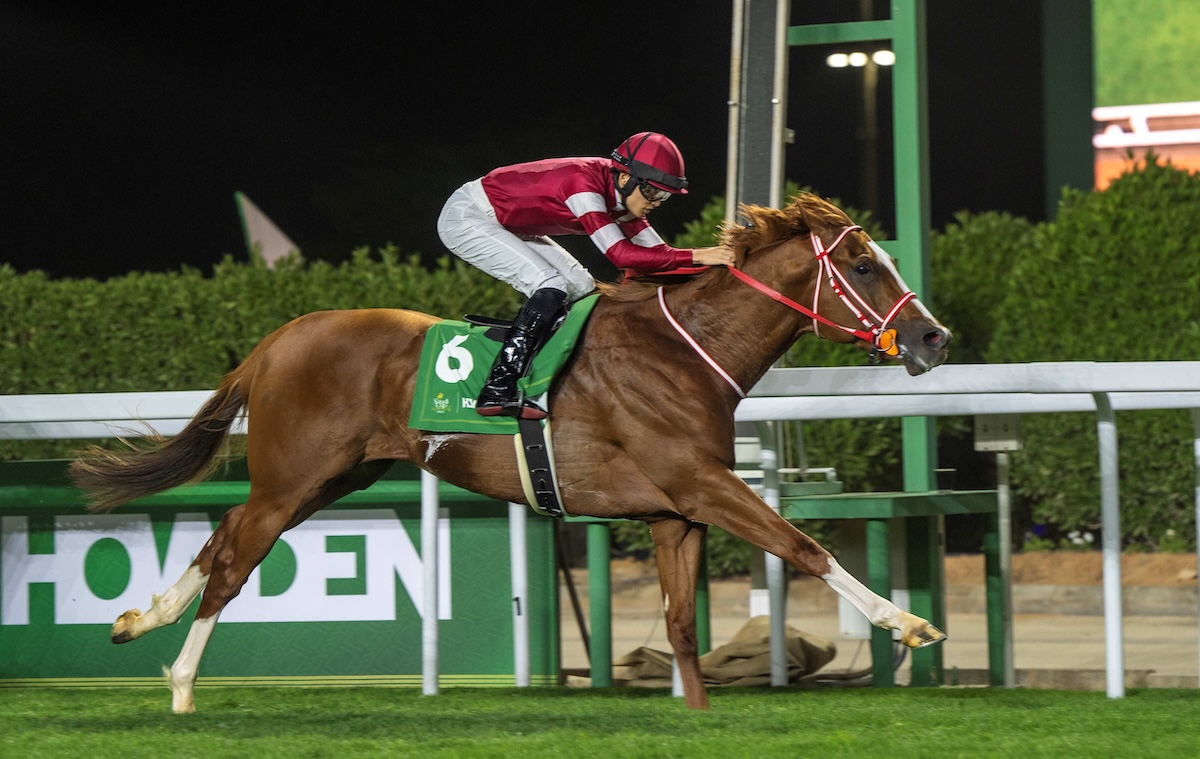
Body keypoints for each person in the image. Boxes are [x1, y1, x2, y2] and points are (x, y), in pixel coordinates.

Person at [437, 131, 735, 420]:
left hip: (510, 221)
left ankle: (546, 377)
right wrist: (700, 254)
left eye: (664, 195)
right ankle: (498, 387)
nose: (656, 201)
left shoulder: (625, 201)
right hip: (469, 216)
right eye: (652, 190)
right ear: (624, 178)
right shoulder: (584, 186)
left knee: (582, 287)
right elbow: (621, 255)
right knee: (551, 285)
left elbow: (660, 257)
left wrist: (725, 267)